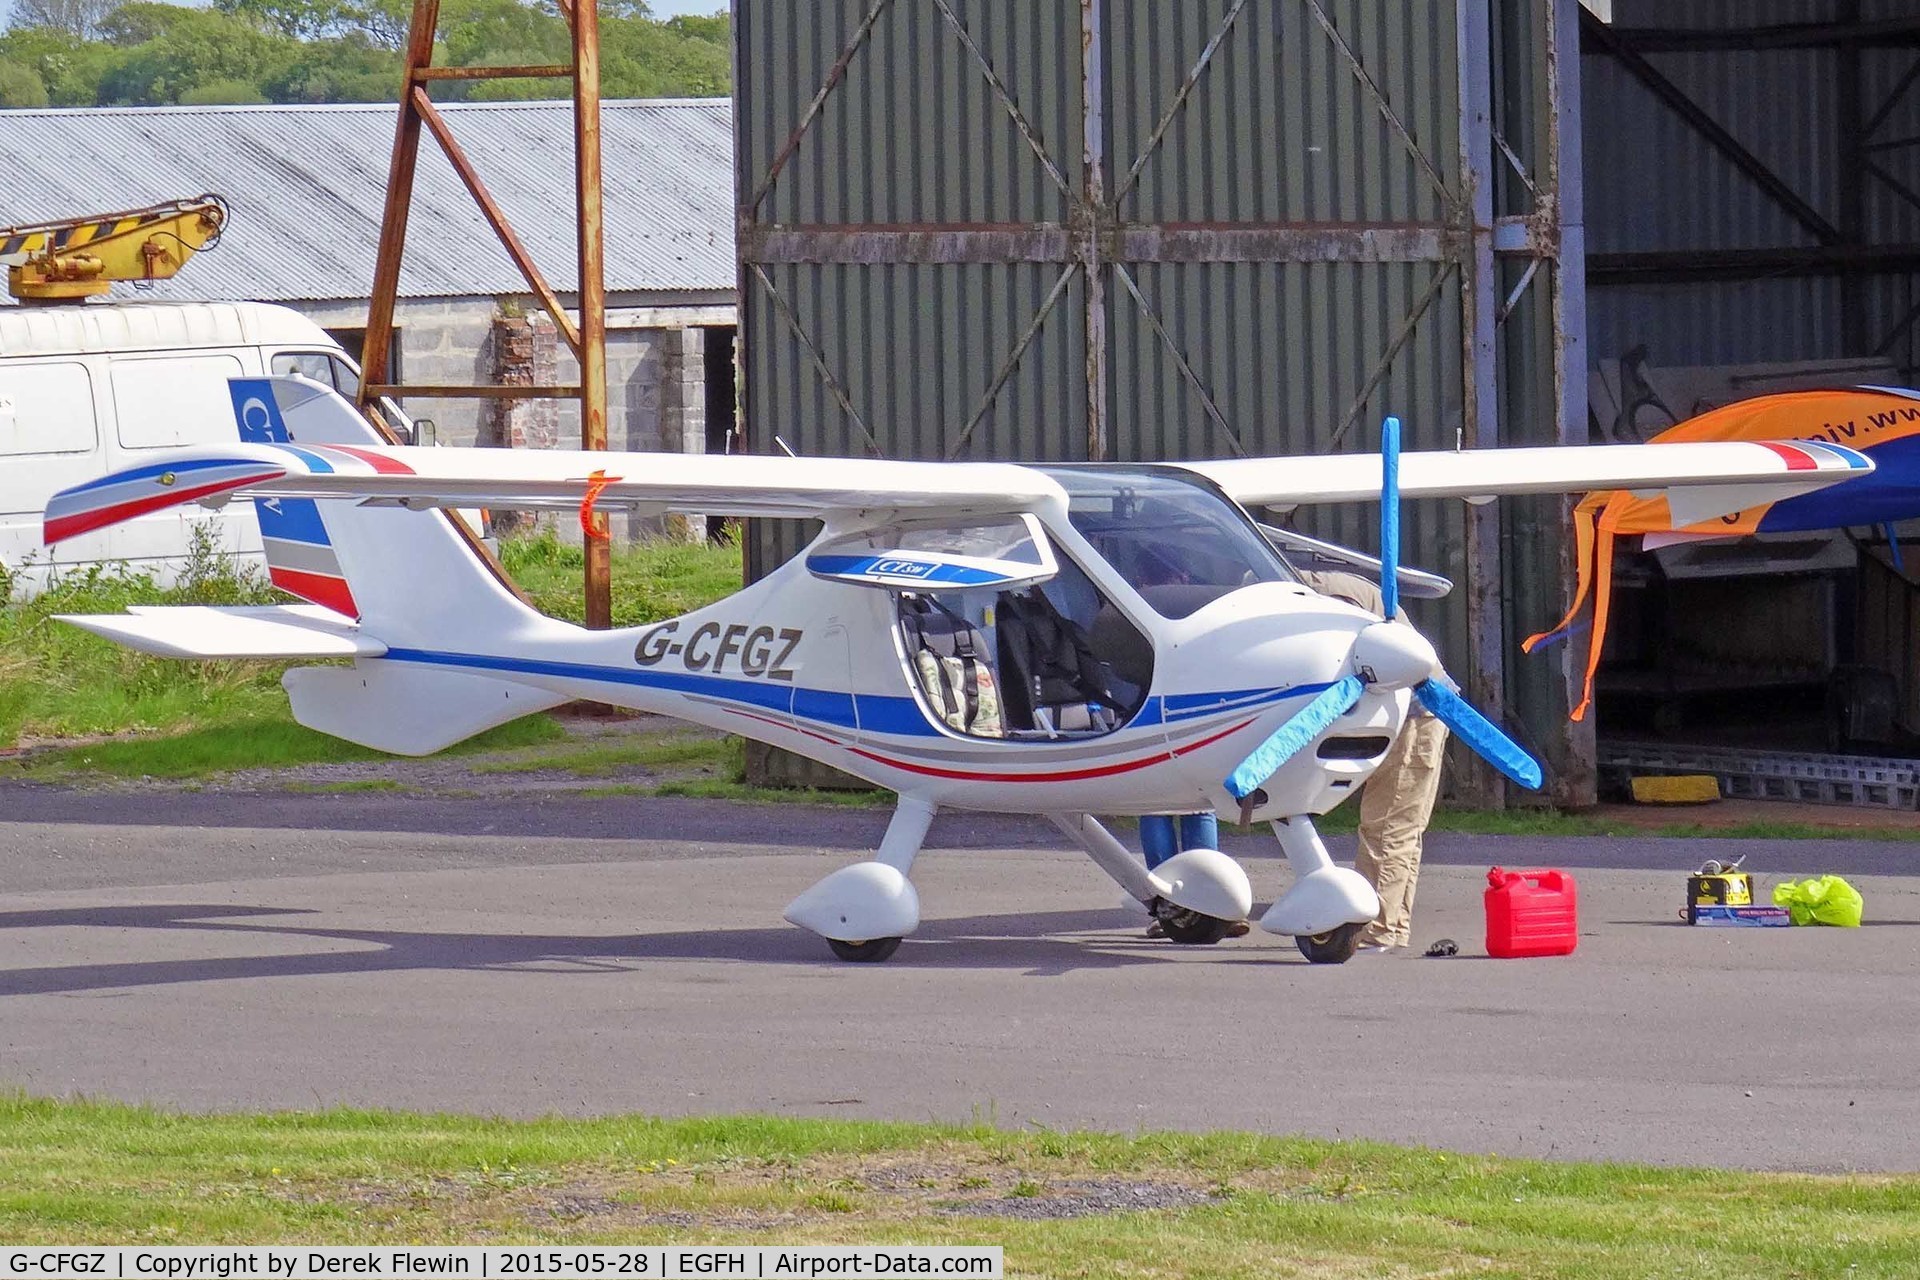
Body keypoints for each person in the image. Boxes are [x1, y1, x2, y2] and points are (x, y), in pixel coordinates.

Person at [1297, 568, 1450, 955]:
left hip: (1414, 713)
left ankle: (1378, 929)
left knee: (1387, 825)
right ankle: (1391, 926)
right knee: (1401, 825)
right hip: (1412, 711)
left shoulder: (1321, 601)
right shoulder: (1328, 589)